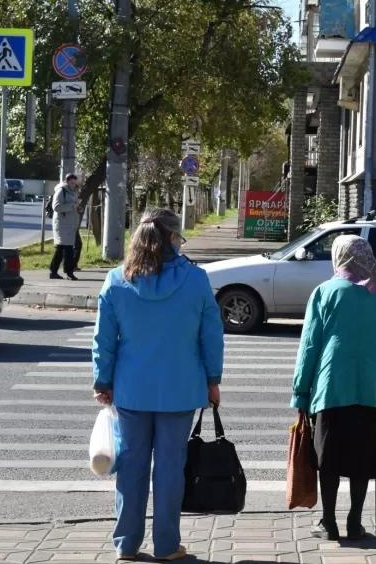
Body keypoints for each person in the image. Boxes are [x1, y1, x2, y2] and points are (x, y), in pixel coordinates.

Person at [92, 208, 224, 562]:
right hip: (180, 391)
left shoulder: (117, 280)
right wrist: (213, 380)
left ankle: (126, 544)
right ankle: (166, 546)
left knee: (131, 468)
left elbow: (103, 340)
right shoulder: (195, 280)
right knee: (169, 470)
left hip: (131, 390)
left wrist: (102, 380)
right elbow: (211, 336)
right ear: (172, 238)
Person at [291, 235, 376, 541]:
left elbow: (309, 347)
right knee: (363, 459)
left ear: (339, 258)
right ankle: (354, 522)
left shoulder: (324, 293)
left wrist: (300, 392)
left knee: (328, 459)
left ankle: (328, 522)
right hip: (373, 390)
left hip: (332, 389)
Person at [50, 173, 80, 280]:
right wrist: (72, 206)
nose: (73, 185)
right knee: (67, 249)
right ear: (67, 181)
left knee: (61, 248)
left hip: (70, 224)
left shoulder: (74, 191)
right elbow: (56, 207)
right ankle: (69, 273)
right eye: (71, 183)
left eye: (75, 183)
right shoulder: (61, 190)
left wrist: (77, 208)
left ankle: (53, 272)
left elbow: (74, 205)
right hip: (62, 224)